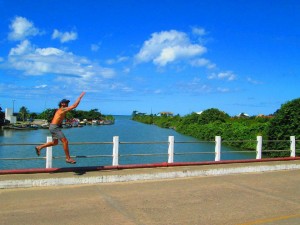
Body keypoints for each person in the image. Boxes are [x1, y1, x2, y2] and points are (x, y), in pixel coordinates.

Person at [35, 92, 86, 164]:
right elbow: (74, 105)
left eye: (67, 103)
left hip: (53, 127)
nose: (67, 104)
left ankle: (39, 147)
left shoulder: (61, 110)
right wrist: (80, 97)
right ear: (62, 103)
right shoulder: (62, 109)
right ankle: (68, 158)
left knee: (55, 143)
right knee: (65, 141)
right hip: (55, 127)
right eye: (65, 103)